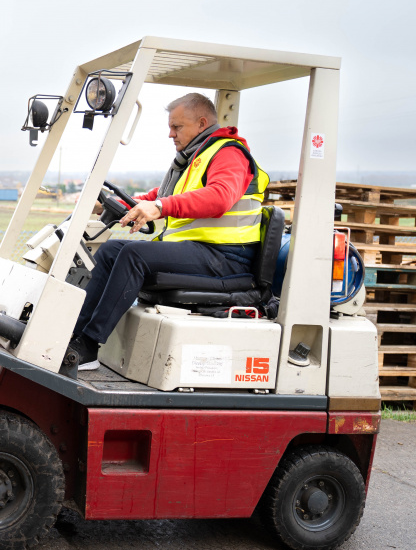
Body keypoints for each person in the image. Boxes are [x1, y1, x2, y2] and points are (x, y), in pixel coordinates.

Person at [67, 92, 270, 372]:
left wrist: (161, 207)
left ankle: (89, 346)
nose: (170, 134)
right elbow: (157, 196)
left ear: (201, 123)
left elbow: (220, 197)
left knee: (135, 254)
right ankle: (73, 335)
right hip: (200, 252)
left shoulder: (229, 153)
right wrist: (107, 205)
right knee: (114, 250)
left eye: (177, 127)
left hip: (226, 259)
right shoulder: (194, 158)